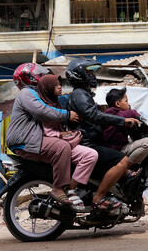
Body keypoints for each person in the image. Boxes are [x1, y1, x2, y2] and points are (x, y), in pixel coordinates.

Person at [5, 63, 85, 211]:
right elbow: (41, 111)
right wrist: (67, 115)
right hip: (24, 139)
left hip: (32, 139)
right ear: (30, 77)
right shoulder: (26, 93)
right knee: (61, 147)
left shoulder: (37, 93)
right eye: (38, 73)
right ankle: (58, 189)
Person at [65, 59, 141, 212]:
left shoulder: (84, 95)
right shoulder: (79, 94)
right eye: (89, 72)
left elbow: (96, 116)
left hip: (91, 142)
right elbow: (94, 115)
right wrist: (122, 120)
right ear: (80, 75)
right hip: (86, 144)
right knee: (122, 160)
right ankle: (99, 198)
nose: (92, 76)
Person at [36, 74, 98, 211]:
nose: (60, 87)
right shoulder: (41, 107)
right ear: (48, 88)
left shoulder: (57, 102)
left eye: (60, 84)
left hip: (65, 142)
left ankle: (71, 189)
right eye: (56, 85)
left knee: (91, 155)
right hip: (53, 144)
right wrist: (59, 134)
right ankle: (62, 189)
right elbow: (44, 131)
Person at [103, 88, 148, 177]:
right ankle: (122, 169)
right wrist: (135, 114)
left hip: (119, 148)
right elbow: (130, 113)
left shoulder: (122, 118)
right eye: (126, 101)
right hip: (116, 150)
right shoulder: (111, 113)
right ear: (117, 104)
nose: (128, 104)